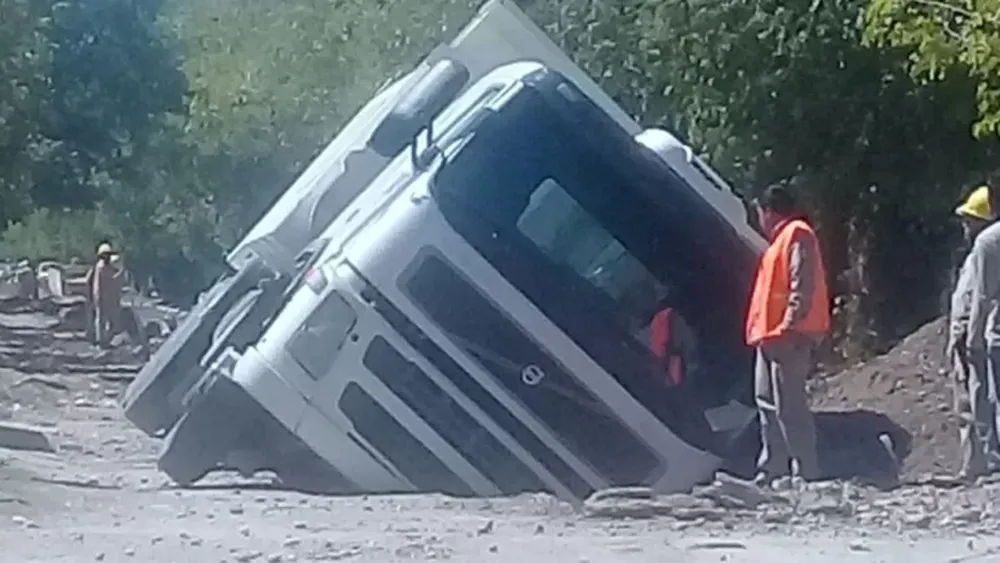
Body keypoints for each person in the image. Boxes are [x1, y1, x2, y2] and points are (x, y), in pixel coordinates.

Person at [745, 184, 830, 484]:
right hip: (769, 336)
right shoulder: (780, 241)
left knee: (789, 406)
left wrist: (791, 324)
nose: (759, 219)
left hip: (787, 336)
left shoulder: (797, 234)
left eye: (760, 212)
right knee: (768, 404)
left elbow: (801, 282)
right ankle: (772, 470)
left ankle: (805, 472)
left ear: (769, 211)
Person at [948, 185, 1000, 480]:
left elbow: (980, 297)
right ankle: (975, 465)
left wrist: (971, 336)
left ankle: (985, 464)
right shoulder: (977, 253)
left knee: (980, 398)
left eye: (969, 219)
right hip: (974, 332)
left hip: (975, 334)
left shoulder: (986, 248)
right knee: (971, 399)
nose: (965, 226)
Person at [86, 242, 126, 348]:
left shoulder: (102, 266)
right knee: (102, 320)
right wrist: (121, 274)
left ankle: (104, 340)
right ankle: (101, 341)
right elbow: (111, 281)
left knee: (104, 320)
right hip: (103, 297)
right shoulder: (102, 267)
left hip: (103, 297)